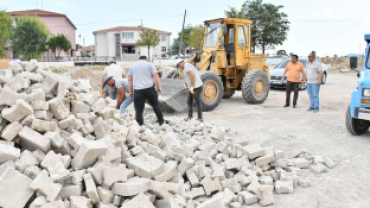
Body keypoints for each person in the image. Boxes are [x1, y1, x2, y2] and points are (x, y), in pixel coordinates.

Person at [128, 56, 164, 126]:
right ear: (146, 59)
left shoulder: (132, 66)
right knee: (156, 106)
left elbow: (129, 80)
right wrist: (159, 86)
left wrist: (131, 92)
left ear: (139, 59)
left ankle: (140, 125)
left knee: (139, 110)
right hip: (149, 89)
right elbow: (155, 75)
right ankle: (161, 122)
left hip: (138, 91)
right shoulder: (150, 65)